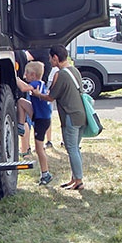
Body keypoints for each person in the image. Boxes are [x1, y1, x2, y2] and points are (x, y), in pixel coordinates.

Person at [29, 44, 86, 190]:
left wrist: (37, 95)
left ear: (55, 58)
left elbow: (50, 97)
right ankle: (74, 178)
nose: (49, 61)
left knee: (71, 148)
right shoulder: (75, 71)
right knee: (75, 148)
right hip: (81, 114)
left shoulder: (61, 74)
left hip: (70, 116)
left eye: (50, 58)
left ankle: (78, 180)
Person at [17, 61, 52, 185]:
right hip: (39, 114)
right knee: (21, 102)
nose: (24, 75)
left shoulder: (35, 83)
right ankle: (21, 125)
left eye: (26, 73)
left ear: (32, 75)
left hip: (41, 120)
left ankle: (45, 173)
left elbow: (23, 88)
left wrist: (15, 77)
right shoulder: (41, 83)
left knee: (39, 148)